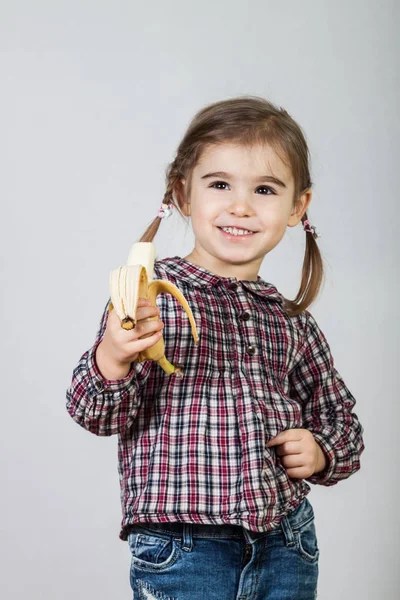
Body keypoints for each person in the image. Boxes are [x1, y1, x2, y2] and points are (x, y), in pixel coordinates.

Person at [66, 96, 365, 600]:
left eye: (265, 189)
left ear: (298, 207)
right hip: (183, 547)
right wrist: (114, 357)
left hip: (285, 544)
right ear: (183, 193)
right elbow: (95, 413)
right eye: (220, 184)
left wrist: (320, 451)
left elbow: (343, 423)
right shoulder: (147, 297)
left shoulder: (293, 322)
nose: (241, 206)